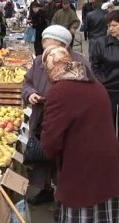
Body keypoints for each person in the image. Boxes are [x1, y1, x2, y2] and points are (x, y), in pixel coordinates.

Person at [41, 45, 119, 222]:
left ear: (52, 67)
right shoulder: (96, 84)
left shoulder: (59, 91)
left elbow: (50, 142)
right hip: (108, 167)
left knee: (81, 212)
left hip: (81, 170)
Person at [22, 25, 91, 206]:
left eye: (48, 43)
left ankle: (65, 198)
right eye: (43, 43)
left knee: (64, 161)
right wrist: (30, 94)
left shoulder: (80, 63)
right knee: (42, 157)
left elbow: (87, 93)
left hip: (68, 121)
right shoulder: (39, 61)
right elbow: (27, 83)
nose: (44, 48)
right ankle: (46, 190)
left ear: (62, 44)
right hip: (42, 117)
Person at [90, 10, 119, 138]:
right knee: (108, 125)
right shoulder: (101, 43)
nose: (110, 29)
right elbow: (94, 66)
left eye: (114, 25)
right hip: (108, 89)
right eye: (109, 26)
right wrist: (101, 82)